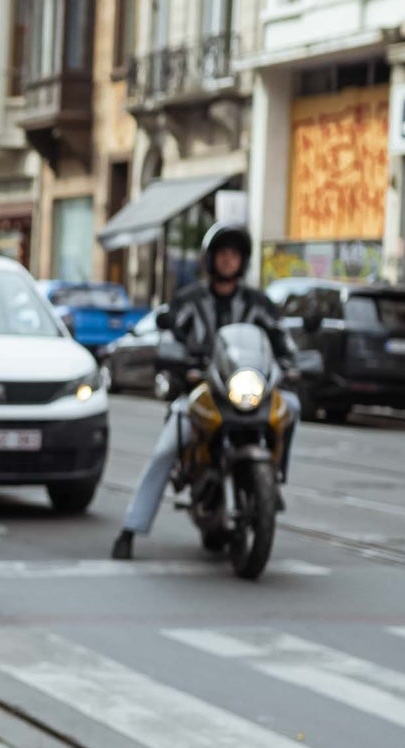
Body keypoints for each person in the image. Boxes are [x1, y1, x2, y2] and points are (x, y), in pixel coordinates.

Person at [111, 221, 298, 560]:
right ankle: (131, 528)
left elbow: (281, 341)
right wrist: (182, 364)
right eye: (223, 254)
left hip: (247, 393)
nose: (229, 261)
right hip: (203, 392)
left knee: (293, 406)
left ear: (243, 260)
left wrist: (289, 365)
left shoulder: (259, 303)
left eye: (235, 255)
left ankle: (274, 471)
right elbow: (170, 339)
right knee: (167, 445)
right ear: (210, 260)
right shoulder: (188, 301)